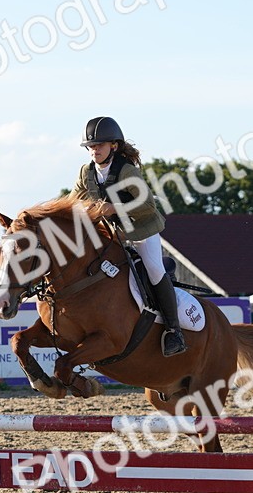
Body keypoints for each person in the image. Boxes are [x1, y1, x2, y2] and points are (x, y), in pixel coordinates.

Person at [70, 116, 186, 357]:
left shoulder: (126, 170)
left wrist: (113, 208)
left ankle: (174, 331)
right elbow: (72, 200)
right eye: (91, 147)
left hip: (142, 228)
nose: (94, 150)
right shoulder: (86, 172)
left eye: (99, 145)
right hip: (114, 232)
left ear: (113, 145)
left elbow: (146, 204)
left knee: (153, 269)